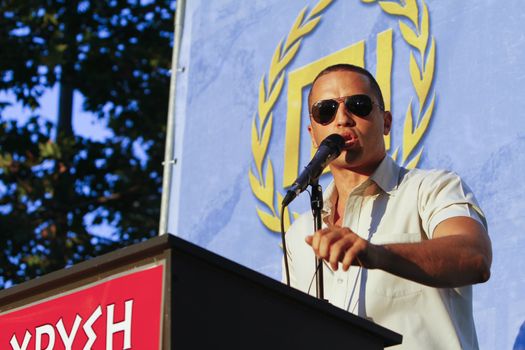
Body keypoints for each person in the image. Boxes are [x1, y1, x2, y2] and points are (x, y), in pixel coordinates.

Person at [283, 64, 492, 350]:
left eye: (358, 105)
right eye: (326, 110)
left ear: (386, 122)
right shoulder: (300, 233)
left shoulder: (432, 188)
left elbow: (474, 258)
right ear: (313, 132)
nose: (342, 119)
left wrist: (377, 255)